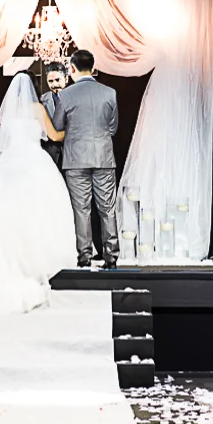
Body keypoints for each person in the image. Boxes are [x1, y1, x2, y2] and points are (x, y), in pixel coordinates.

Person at [0, 73, 76, 314]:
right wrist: (74, 129)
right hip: (34, 161)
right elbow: (54, 136)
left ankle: (8, 258)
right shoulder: (38, 108)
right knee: (37, 211)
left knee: (5, 212)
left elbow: (2, 140)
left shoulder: (8, 114)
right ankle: (35, 259)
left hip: (10, 163)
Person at [45, 49, 121, 268]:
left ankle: (84, 256)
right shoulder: (110, 93)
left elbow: (58, 126)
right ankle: (111, 256)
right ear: (93, 67)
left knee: (81, 209)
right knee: (107, 208)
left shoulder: (66, 95)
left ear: (72, 68)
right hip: (104, 158)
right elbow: (113, 128)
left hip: (75, 159)